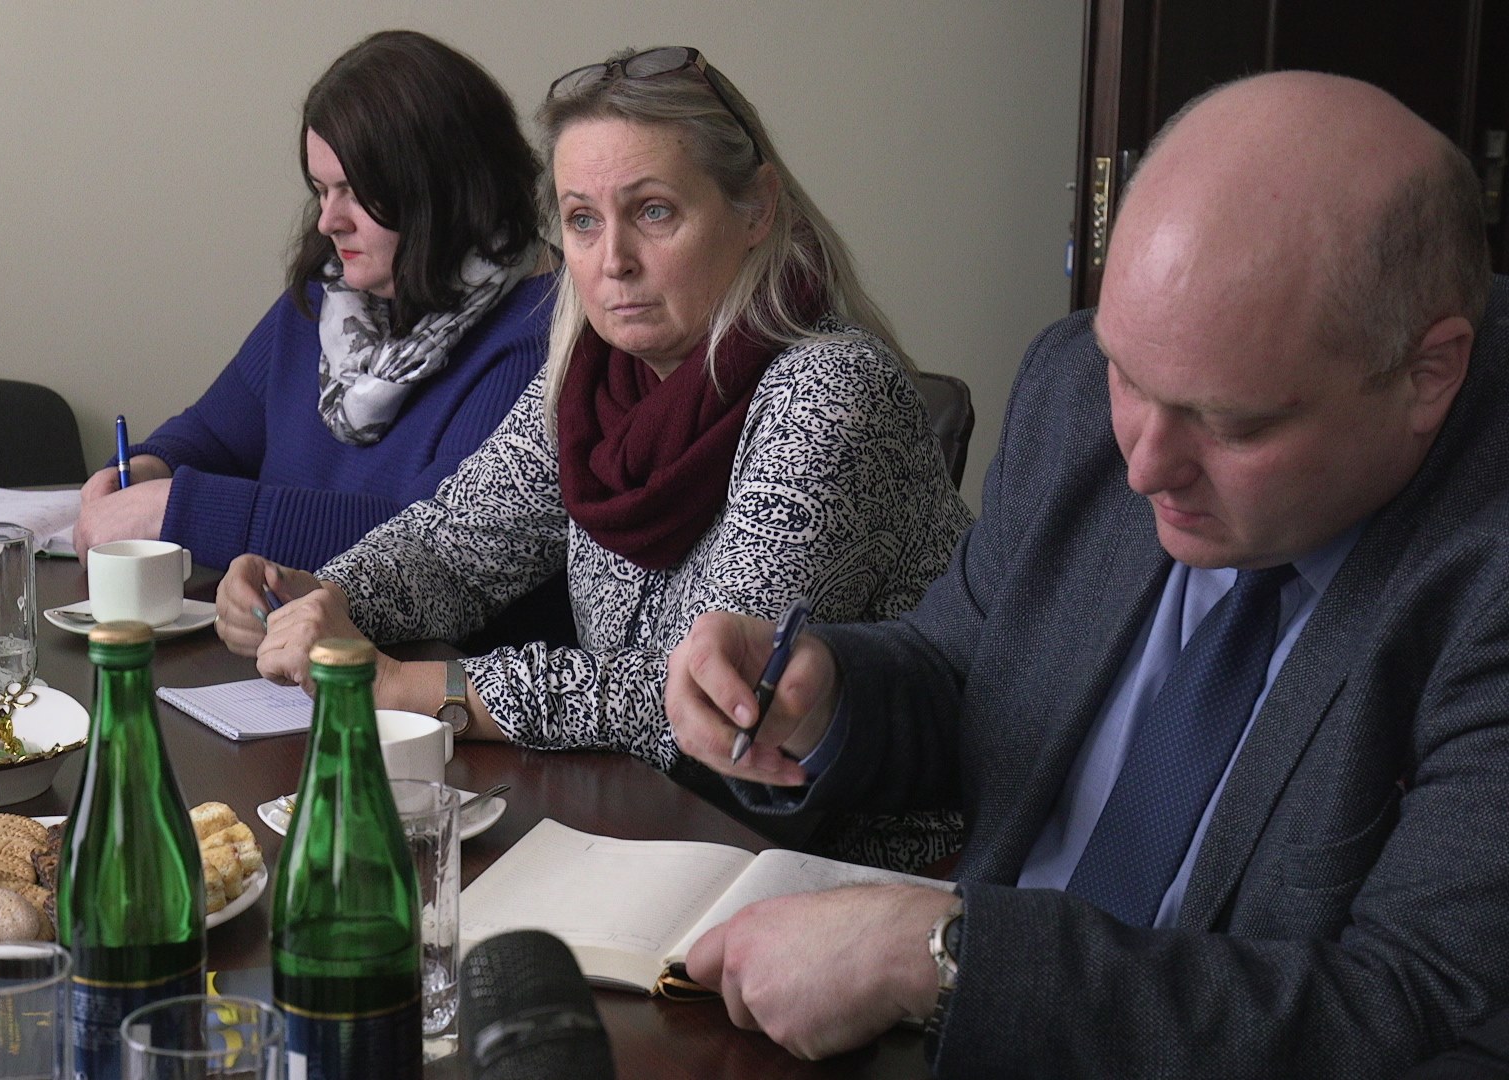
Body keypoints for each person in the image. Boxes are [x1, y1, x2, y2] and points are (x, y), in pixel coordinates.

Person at [665, 71, 1509, 1074]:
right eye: (1128, 376)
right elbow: (965, 674)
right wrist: (822, 697)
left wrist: (945, 959)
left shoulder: (1483, 578)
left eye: (1232, 424)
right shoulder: (1073, 391)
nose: (1143, 465)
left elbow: (1417, 1011)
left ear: (1428, 373)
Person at [217, 46, 971, 870]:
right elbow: (453, 546)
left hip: (841, 870)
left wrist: (423, 690)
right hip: (651, 829)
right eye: (582, 220)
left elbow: (705, 700)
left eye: (654, 212)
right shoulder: (590, 379)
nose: (612, 261)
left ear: (757, 209)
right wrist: (320, 600)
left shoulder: (830, 390)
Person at [73, 30, 553, 571]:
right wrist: (149, 468)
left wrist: (182, 511)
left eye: (355, 191)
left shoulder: (538, 335)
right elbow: (213, 434)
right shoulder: (331, 295)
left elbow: (432, 551)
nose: (328, 222)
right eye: (322, 191)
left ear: (442, 186)